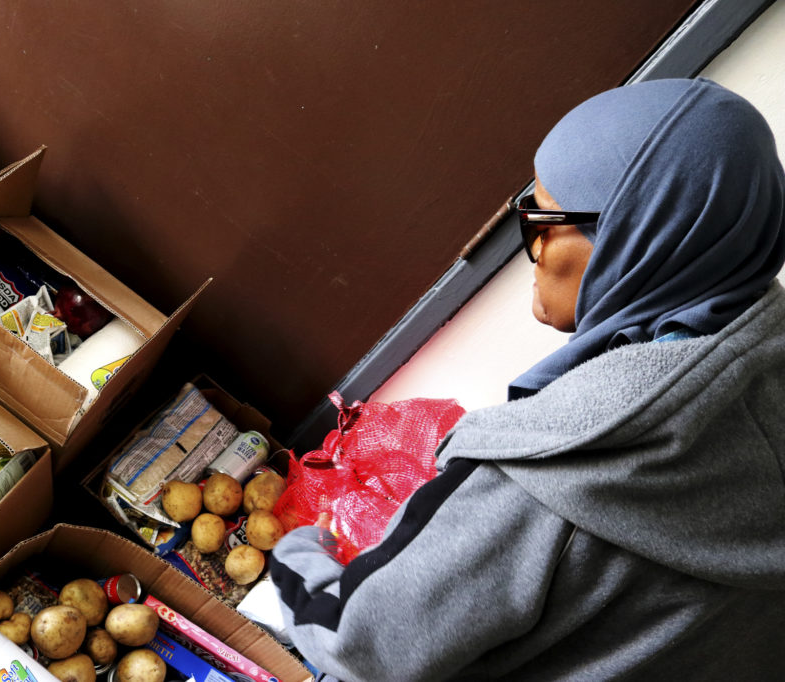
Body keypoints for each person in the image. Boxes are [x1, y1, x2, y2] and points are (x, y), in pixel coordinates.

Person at [269, 78, 785, 680]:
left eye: (545, 222)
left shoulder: (541, 476)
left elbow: (361, 644)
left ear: (635, 238)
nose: (532, 247)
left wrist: (301, 553)